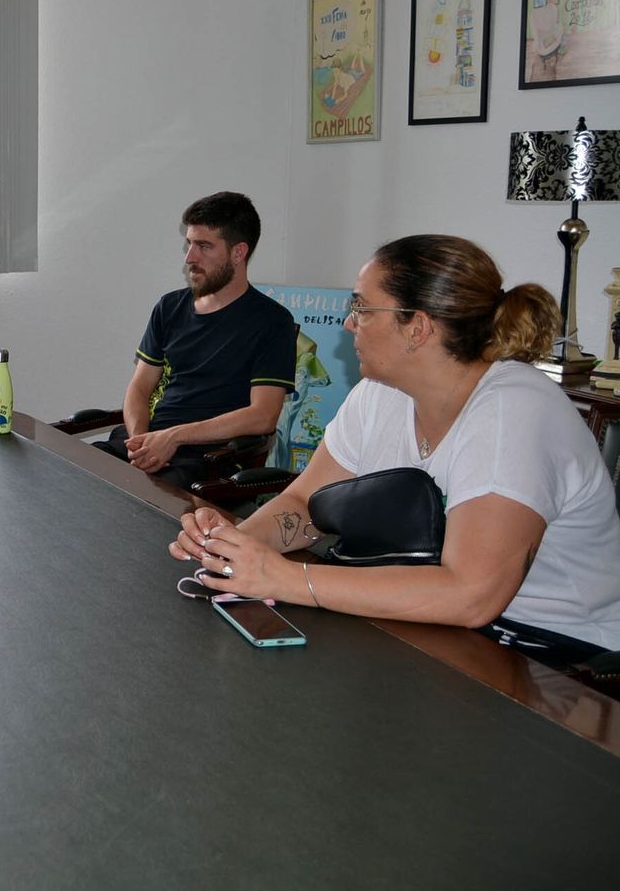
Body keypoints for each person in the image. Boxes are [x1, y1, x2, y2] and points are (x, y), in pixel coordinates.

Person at [172, 234, 620, 663]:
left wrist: (286, 578)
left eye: (362, 308)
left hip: (550, 655)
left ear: (417, 328)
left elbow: (471, 595)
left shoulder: (514, 412)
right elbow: (304, 503)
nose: (348, 323)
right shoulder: (381, 393)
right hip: (433, 627)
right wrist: (235, 545)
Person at [103, 191, 296, 489]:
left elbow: (263, 416)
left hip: (205, 461)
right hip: (148, 444)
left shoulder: (272, 322)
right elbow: (139, 387)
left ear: (238, 253)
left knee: (142, 499)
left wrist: (174, 437)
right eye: (190, 243)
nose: (190, 258)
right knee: (71, 474)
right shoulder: (169, 307)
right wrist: (143, 442)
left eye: (204, 246)